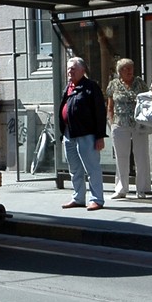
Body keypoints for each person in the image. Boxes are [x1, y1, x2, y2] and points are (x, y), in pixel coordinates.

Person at [59, 57, 108, 211]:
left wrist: (100, 136)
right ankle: (78, 198)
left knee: (92, 168)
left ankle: (97, 199)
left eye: (73, 68)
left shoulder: (90, 87)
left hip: (86, 134)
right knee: (74, 169)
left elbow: (100, 112)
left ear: (82, 70)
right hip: (69, 133)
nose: (69, 71)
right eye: (68, 68)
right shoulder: (68, 87)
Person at [105, 58, 152, 199]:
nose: (130, 71)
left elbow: (148, 100)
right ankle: (121, 189)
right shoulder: (113, 84)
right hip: (120, 123)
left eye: (131, 67)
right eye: (126, 68)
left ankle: (142, 189)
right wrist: (111, 121)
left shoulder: (139, 83)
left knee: (141, 155)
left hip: (139, 123)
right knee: (121, 156)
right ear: (120, 71)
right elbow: (110, 105)